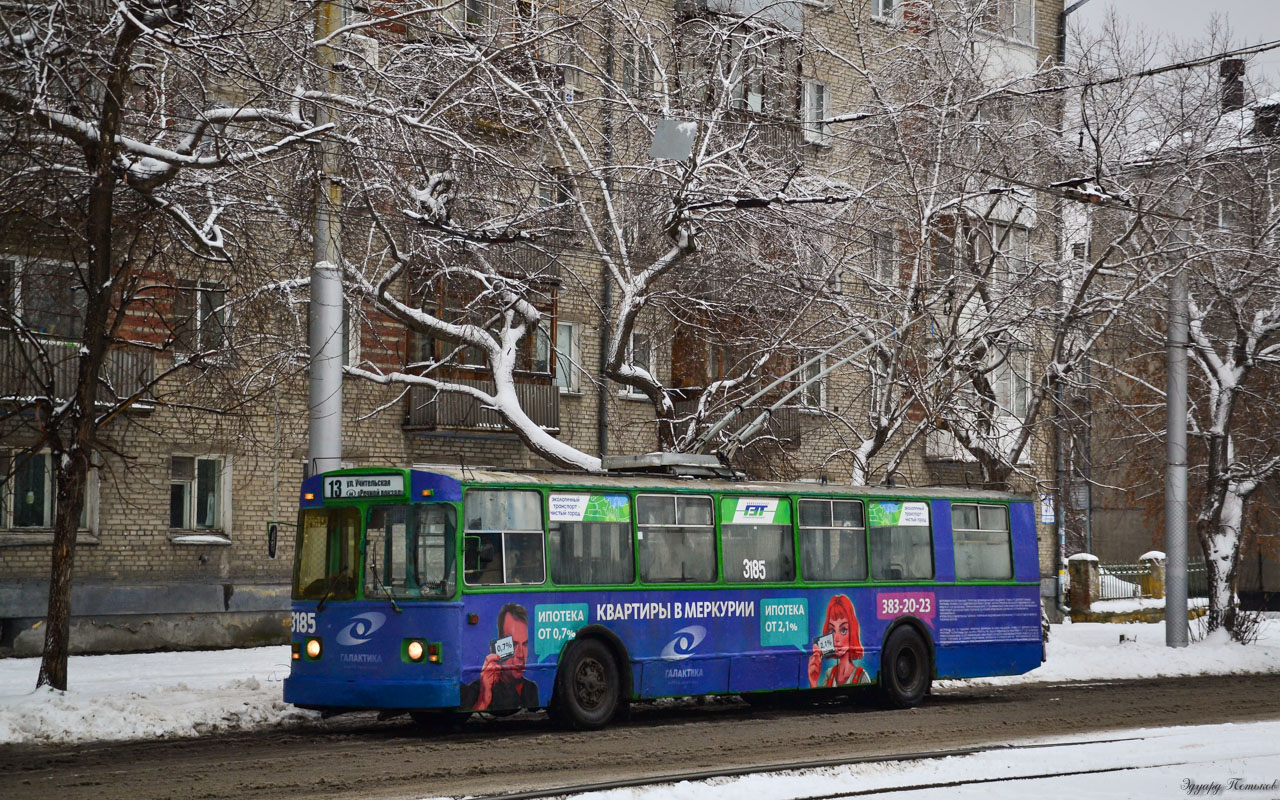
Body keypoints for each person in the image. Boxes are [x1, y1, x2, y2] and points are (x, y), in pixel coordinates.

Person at [461, 603, 540, 711]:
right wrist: (483, 700)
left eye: (525, 644)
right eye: (513, 644)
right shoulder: (477, 688)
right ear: (499, 644)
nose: (521, 655)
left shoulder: (531, 689)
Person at [808, 594, 870, 687]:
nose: (836, 639)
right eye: (832, 630)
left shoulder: (861, 676)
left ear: (852, 631)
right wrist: (813, 681)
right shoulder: (829, 674)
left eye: (843, 630)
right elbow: (821, 700)